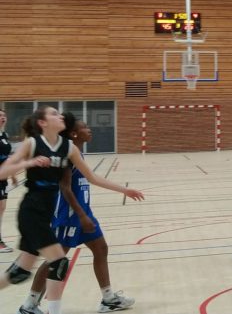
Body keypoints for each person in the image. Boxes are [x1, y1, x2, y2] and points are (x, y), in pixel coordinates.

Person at [0, 106, 143, 314]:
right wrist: (30, 162)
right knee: (54, 262)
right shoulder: (46, 148)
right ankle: (31, 305)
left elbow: (93, 178)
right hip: (56, 214)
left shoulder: (71, 150)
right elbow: (64, 188)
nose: (89, 129)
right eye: (85, 127)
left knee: (97, 250)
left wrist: (124, 190)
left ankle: (107, 298)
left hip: (70, 212)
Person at [0, 109, 19, 253]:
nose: (2, 118)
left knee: (2, 208)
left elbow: (7, 157)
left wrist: (12, 174)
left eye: (4, 115)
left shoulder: (4, 135)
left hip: (3, 177)